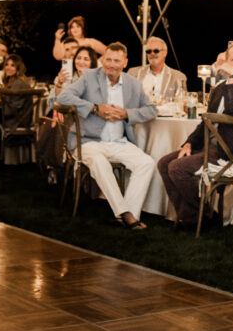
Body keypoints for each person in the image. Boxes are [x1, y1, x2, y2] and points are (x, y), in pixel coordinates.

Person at [157, 43, 233, 227]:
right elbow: (206, 123)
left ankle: (203, 217)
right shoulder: (220, 88)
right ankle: (196, 217)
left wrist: (232, 77)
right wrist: (189, 143)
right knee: (164, 163)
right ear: (226, 61)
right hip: (211, 148)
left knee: (177, 168)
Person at [57, 42, 158, 229]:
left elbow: (152, 110)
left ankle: (126, 214)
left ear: (125, 63)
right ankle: (127, 214)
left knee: (147, 163)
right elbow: (63, 97)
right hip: (88, 142)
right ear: (103, 60)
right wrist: (95, 109)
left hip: (119, 143)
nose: (111, 64)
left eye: (116, 61)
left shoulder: (133, 84)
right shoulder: (89, 77)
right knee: (99, 162)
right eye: (108, 59)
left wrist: (126, 114)